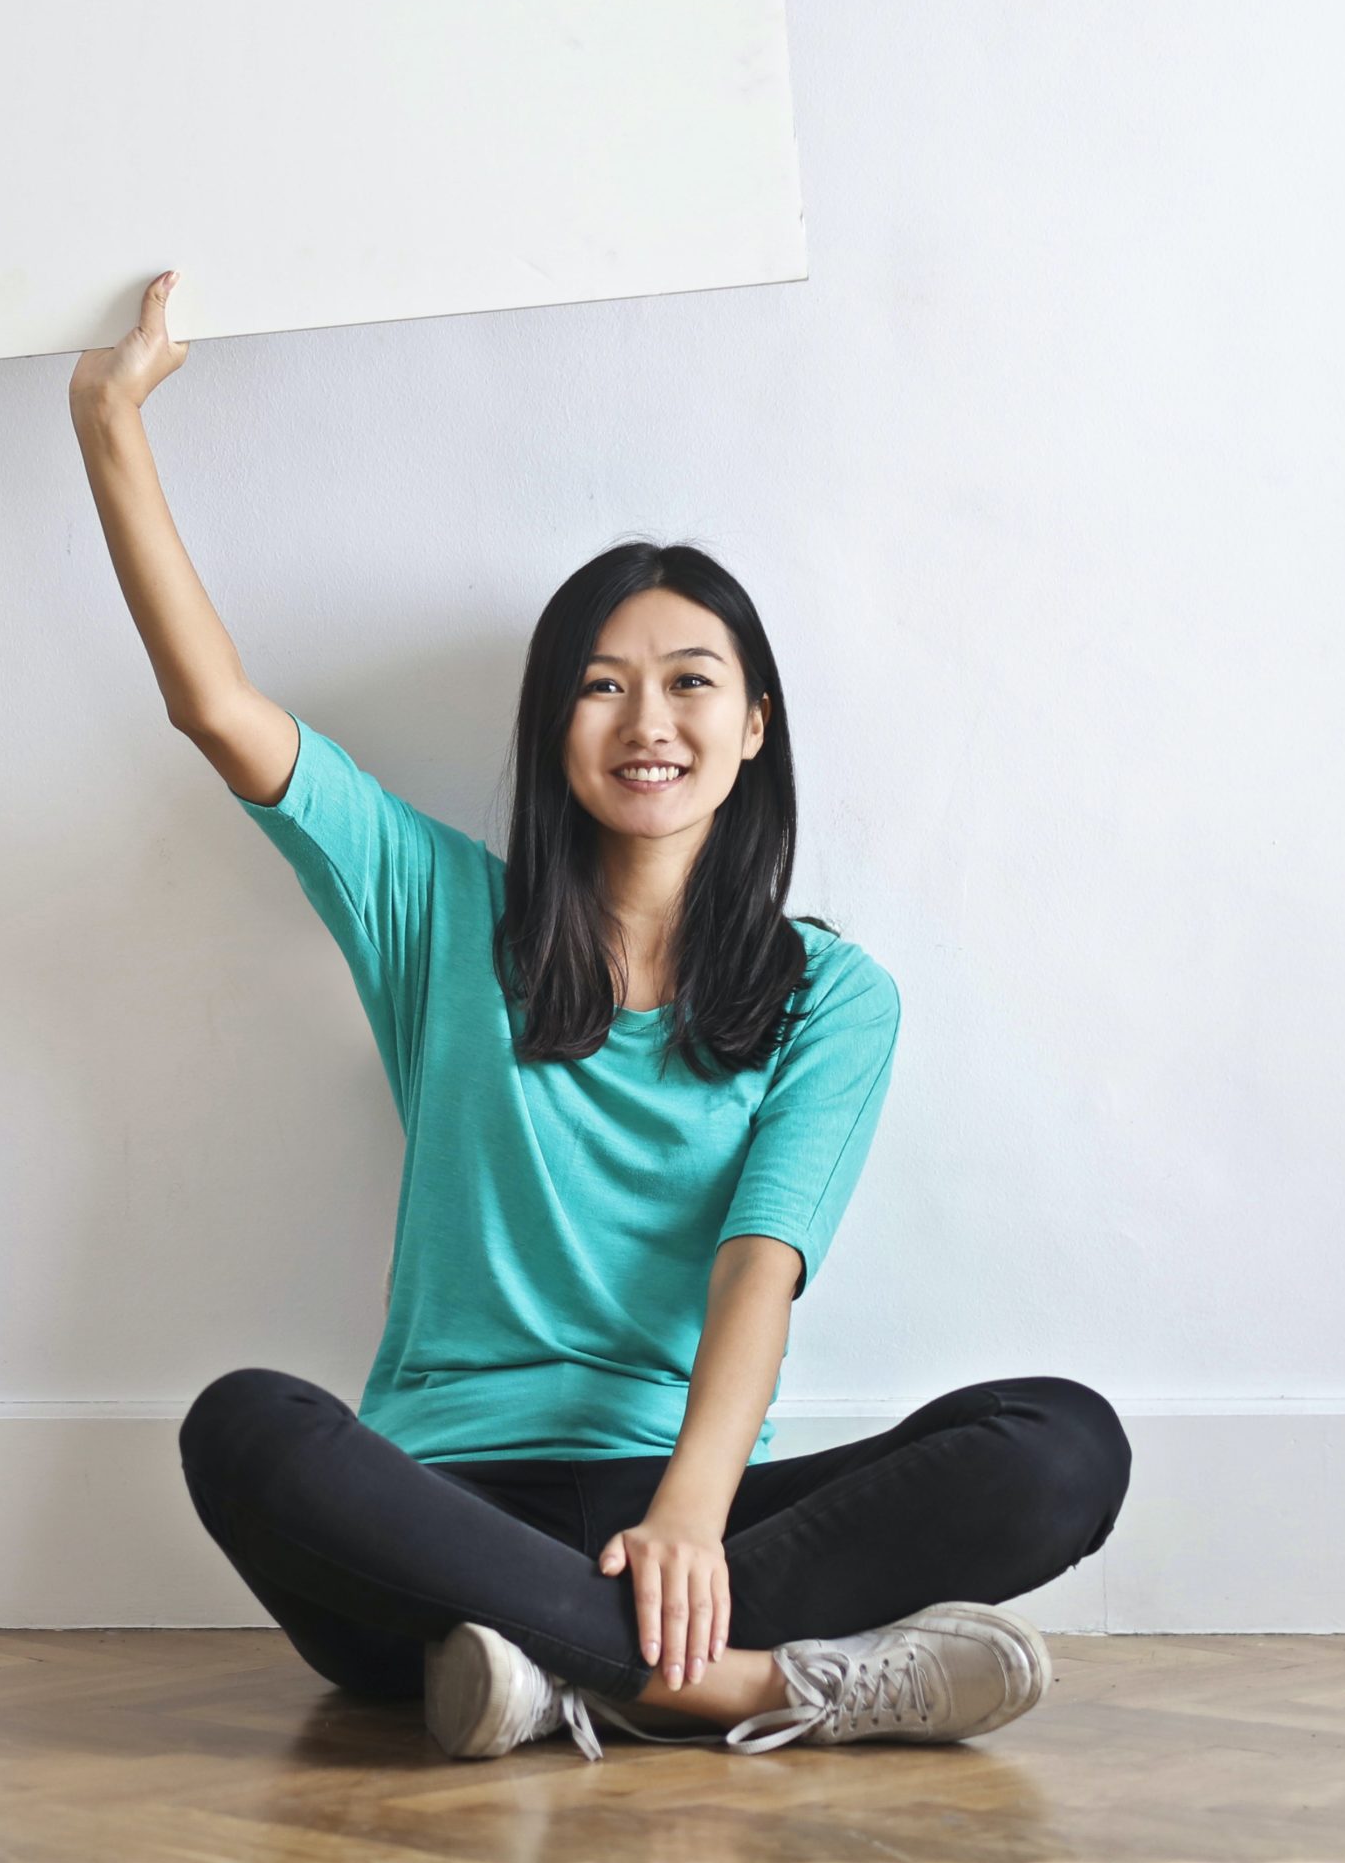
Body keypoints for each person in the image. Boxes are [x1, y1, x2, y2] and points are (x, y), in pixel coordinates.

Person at [69, 270, 1131, 1762]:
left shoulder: (833, 994)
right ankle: (748, 1689)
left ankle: (540, 1671)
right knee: (247, 1426)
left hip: (692, 1507)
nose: (648, 723)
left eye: (691, 683)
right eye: (601, 687)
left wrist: (691, 1513)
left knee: (1061, 1443)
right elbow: (220, 710)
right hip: (438, 1507)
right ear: (550, 731)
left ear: (753, 728)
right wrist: (106, 418)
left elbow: (761, 1267)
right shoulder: (437, 913)